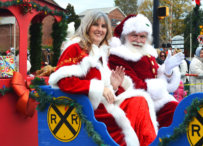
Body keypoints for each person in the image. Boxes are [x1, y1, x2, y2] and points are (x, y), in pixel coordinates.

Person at [48, 11, 158, 146]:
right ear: (87, 26)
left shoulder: (99, 52)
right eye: (96, 25)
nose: (100, 29)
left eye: (104, 26)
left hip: (103, 105)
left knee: (140, 101)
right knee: (137, 107)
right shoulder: (75, 48)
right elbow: (63, 81)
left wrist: (113, 86)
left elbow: (104, 88)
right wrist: (100, 88)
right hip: (89, 110)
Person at [108, 14, 183, 129]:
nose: (138, 40)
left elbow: (158, 74)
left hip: (156, 101)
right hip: (138, 104)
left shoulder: (147, 53)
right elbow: (133, 85)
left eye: (142, 36)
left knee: (183, 113)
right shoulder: (118, 56)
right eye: (134, 35)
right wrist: (161, 89)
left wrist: (167, 70)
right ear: (125, 36)